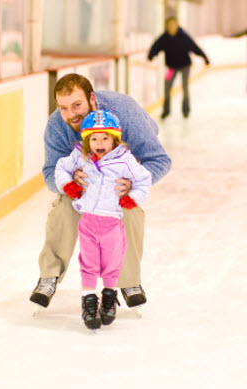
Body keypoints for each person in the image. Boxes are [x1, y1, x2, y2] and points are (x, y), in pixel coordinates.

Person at [29, 73, 171, 310]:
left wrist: (133, 185)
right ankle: (49, 276)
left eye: (77, 105)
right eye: (63, 108)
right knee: (63, 206)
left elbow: (159, 160)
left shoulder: (123, 111)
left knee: (129, 210)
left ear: (92, 99)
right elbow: (50, 172)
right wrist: (69, 181)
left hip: (120, 178)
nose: (71, 114)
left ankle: (129, 281)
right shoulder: (57, 125)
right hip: (83, 186)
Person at [55, 110, 152, 329]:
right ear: (87, 140)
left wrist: (133, 197)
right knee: (87, 264)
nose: (99, 142)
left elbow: (144, 179)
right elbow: (61, 167)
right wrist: (68, 184)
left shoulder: (124, 160)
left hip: (112, 225)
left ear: (114, 140)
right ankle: (89, 301)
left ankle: (109, 297)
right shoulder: (80, 155)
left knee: (112, 265)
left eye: (105, 138)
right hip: (88, 222)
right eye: (94, 138)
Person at [148, 16, 210, 119]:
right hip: (172, 68)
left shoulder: (183, 36)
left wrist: (205, 58)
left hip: (185, 66)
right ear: (167, 26)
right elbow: (155, 46)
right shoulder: (164, 37)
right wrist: (151, 55)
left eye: (173, 25)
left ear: (177, 25)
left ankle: (186, 110)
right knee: (167, 88)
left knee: (185, 87)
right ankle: (166, 111)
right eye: (170, 25)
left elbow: (195, 47)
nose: (172, 27)